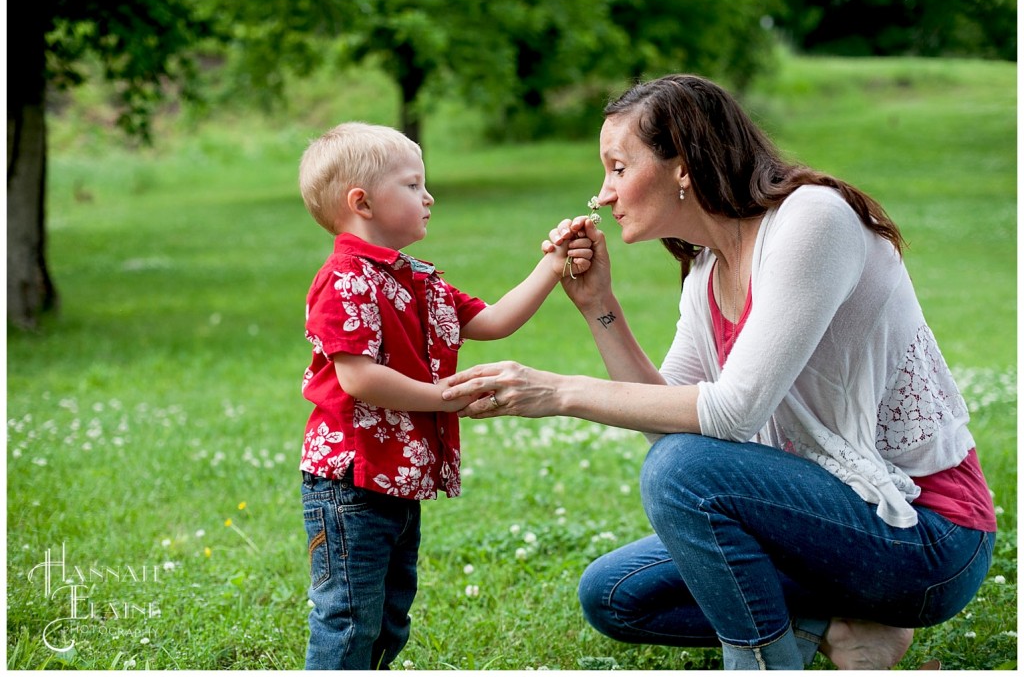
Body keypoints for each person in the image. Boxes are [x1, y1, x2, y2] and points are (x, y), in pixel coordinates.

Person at [441, 75, 997, 670]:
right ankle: (839, 627)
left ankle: (763, 661)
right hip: (826, 528)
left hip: (928, 536)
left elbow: (732, 414)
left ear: (682, 163)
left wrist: (558, 391)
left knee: (681, 472)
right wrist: (598, 305)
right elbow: (672, 426)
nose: (602, 193)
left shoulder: (811, 219)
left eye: (618, 168)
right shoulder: (708, 271)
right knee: (614, 594)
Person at [296, 122, 594, 669]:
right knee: (347, 615)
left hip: (394, 481)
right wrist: (444, 397)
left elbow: (495, 321)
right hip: (350, 481)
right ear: (361, 202)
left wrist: (552, 265)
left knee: (389, 614)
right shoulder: (344, 279)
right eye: (413, 186)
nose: (428, 197)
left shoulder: (419, 281)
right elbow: (357, 377)